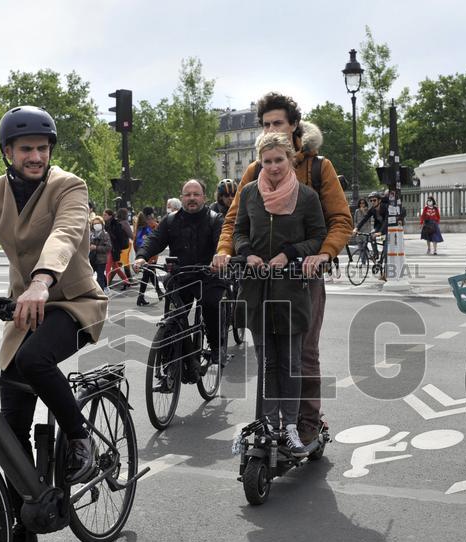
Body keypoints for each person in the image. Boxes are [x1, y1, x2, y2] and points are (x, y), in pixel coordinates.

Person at [0, 105, 108, 542]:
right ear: (8, 152)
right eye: (26, 149)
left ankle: (80, 438)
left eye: (42, 148)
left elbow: (65, 235)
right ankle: (23, 528)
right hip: (25, 313)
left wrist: (41, 281)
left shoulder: (68, 187)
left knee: (36, 360)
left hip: (72, 302)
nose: (35, 156)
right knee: (9, 429)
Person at [212, 91, 353, 446]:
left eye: (278, 123)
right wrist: (226, 251)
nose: (271, 129)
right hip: (262, 279)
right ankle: (270, 422)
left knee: (303, 352)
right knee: (268, 356)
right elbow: (234, 221)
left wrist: (323, 254)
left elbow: (339, 220)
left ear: (294, 126)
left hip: (302, 274)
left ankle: (307, 424)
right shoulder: (254, 171)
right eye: (265, 124)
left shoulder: (318, 167)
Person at [231, 132, 328, 454]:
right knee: (267, 363)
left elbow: (318, 236)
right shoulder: (249, 193)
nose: (273, 167)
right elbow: (239, 231)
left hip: (291, 290)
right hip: (257, 289)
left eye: (279, 160)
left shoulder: (306, 196)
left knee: (291, 363)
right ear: (260, 162)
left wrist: (289, 253)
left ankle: (290, 427)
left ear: (290, 159)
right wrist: (247, 254)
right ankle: (269, 424)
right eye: (267, 161)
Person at [133, 179, 227, 365]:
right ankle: (170, 361)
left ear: (204, 197)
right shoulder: (170, 220)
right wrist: (142, 256)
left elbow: (222, 244)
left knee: (211, 305)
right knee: (173, 318)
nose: (192, 198)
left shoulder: (215, 219)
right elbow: (155, 240)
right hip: (180, 276)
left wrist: (219, 259)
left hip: (208, 276)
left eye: (196, 194)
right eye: (188, 194)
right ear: (182, 197)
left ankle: (216, 346)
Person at [134, 207, 164, 305]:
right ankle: (141, 297)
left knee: (150, 272)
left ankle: (158, 291)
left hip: (142, 253)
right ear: (150, 215)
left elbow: (135, 239)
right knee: (147, 274)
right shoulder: (151, 224)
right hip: (150, 254)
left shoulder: (139, 224)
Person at [104, 208, 132, 290]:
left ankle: (106, 286)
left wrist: (116, 246)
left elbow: (119, 237)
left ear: (110, 216)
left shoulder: (115, 224)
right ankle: (126, 281)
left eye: (105, 215)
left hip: (113, 248)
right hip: (110, 247)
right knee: (115, 267)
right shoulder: (106, 224)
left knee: (108, 267)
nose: (103, 216)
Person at [88, 212, 111, 293]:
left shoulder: (105, 234)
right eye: (95, 224)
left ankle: (101, 293)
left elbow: (108, 247)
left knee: (100, 277)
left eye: (98, 223)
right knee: (89, 275)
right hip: (92, 258)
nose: (96, 225)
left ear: (102, 224)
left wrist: (96, 247)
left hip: (101, 259)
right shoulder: (91, 234)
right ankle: (105, 286)